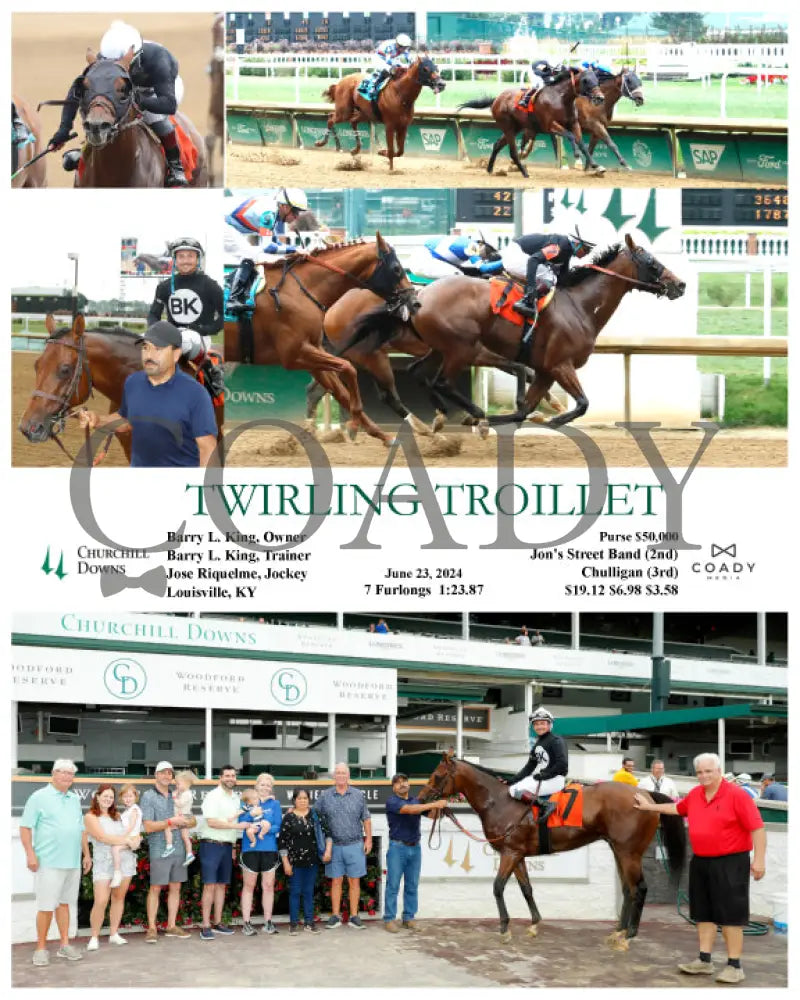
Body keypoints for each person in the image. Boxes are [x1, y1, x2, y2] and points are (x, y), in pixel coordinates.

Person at [634, 751, 766, 984]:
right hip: (702, 861)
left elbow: (757, 828)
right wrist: (648, 807)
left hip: (731, 862)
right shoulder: (696, 794)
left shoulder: (737, 795)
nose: (704, 776)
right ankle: (704, 961)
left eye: (708, 771)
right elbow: (677, 809)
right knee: (703, 913)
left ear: (718, 771)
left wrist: (759, 860)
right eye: (699, 772)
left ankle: (735, 966)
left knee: (730, 916)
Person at [48, 21, 189, 186]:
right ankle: (86, 151)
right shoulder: (104, 59)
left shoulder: (160, 60)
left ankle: (175, 166)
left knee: (158, 121)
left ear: (135, 57)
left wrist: (140, 102)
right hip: (120, 87)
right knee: (100, 113)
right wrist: (63, 130)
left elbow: (169, 104)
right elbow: (75, 93)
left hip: (154, 90)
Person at [78, 320, 218, 467]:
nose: (149, 355)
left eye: (158, 349)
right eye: (145, 347)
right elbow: (126, 420)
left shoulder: (196, 393)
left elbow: (207, 448)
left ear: (176, 355)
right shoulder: (133, 383)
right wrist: (99, 420)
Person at [19, 760, 91, 966]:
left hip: (72, 862)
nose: (68, 777)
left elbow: (80, 830)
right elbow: (25, 827)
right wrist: (30, 854)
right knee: (46, 907)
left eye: (71, 774)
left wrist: (86, 855)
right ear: (53, 774)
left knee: (65, 905)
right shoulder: (39, 797)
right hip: (48, 862)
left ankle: (64, 945)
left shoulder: (74, 799)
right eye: (63, 773)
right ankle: (41, 948)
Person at [147, 238, 225, 398]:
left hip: (200, 337)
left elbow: (224, 315)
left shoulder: (210, 285)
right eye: (181, 256)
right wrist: (154, 332)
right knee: (140, 342)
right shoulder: (164, 286)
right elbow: (153, 314)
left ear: (198, 259)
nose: (185, 261)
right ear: (175, 260)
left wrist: (206, 329)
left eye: (190, 256)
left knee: (185, 342)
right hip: (172, 335)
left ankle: (212, 370)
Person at [225, 188, 310, 316]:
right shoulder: (269, 213)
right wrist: (296, 249)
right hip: (221, 224)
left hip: (228, 224)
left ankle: (235, 290)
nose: (297, 216)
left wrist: (294, 250)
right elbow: (268, 247)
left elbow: (275, 243)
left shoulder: (274, 212)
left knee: (252, 255)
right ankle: (233, 299)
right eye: (295, 211)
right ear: (285, 207)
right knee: (251, 254)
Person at [140, 761, 196, 942]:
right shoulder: (148, 796)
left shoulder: (178, 795)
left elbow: (191, 820)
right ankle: (151, 928)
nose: (166, 776)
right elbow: (148, 826)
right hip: (158, 848)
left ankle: (171, 925)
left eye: (169, 773)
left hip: (179, 847)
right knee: (155, 887)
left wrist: (188, 821)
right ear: (156, 775)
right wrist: (170, 822)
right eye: (162, 772)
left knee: (176, 887)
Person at [383, 774, 448, 933]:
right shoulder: (392, 801)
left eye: (404, 781)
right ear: (394, 787)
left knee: (412, 885)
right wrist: (433, 803)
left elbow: (431, 816)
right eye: (398, 783)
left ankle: (408, 918)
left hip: (415, 848)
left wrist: (439, 809)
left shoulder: (417, 801)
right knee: (393, 884)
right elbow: (410, 810)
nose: (402, 784)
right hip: (397, 848)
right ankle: (389, 919)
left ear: (409, 784)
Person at [83, 784, 142, 951]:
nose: (108, 799)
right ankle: (94, 936)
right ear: (97, 796)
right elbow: (101, 837)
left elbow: (133, 832)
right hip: (103, 863)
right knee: (101, 900)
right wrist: (87, 855)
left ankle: (114, 934)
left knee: (118, 898)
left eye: (111, 797)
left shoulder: (117, 815)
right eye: (105, 796)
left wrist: (135, 841)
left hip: (124, 861)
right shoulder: (90, 817)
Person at [315, 763, 372, 930]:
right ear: (334, 776)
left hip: (355, 844)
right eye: (337, 773)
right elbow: (314, 815)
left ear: (348, 776)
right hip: (334, 846)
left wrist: (368, 840)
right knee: (336, 881)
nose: (340, 776)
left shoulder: (358, 795)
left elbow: (366, 819)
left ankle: (354, 916)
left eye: (343, 773)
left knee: (354, 881)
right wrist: (293, 811)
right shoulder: (325, 796)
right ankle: (335, 916)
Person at [500, 230, 595, 328]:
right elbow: (533, 260)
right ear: (576, 243)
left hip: (517, 253)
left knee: (551, 276)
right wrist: (531, 288)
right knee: (550, 277)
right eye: (586, 249)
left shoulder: (567, 251)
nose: (587, 253)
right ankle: (526, 302)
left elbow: (563, 278)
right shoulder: (560, 247)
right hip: (515, 256)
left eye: (589, 251)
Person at [198, 765, 244, 941]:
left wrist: (232, 847)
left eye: (233, 775)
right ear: (220, 778)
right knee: (209, 885)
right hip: (211, 845)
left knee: (221, 886)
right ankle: (205, 925)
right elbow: (212, 822)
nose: (230, 778)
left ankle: (217, 922)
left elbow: (231, 826)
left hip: (226, 846)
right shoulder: (212, 796)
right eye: (227, 775)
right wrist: (235, 826)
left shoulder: (235, 799)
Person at [238, 773, 283, 936]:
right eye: (262, 784)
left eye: (268, 785)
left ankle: (268, 922)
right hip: (250, 849)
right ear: (256, 786)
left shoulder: (275, 804)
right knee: (249, 886)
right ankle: (246, 923)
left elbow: (278, 826)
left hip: (269, 849)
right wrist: (251, 814)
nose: (265, 787)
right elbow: (239, 822)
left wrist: (264, 829)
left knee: (268, 886)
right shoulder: (246, 801)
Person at [278, 788, 328, 934]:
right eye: (299, 798)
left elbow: (325, 833)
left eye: (305, 798)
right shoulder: (288, 817)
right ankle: (293, 923)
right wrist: (286, 862)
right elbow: (282, 842)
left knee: (308, 892)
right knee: (295, 892)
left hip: (312, 861)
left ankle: (309, 922)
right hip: (294, 863)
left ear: (309, 800)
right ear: (294, 800)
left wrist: (326, 850)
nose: (302, 801)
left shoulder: (315, 816)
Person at [507, 707, 568, 820]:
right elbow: (529, 767)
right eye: (536, 724)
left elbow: (562, 765)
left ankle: (546, 805)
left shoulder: (556, 740)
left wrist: (545, 775)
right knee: (512, 786)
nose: (539, 726)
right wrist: (512, 780)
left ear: (549, 725)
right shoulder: (537, 743)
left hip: (555, 780)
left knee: (513, 790)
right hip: (544, 778)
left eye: (542, 723)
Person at [420, 234, 503, 280]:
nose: (486, 256)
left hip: (429, 258)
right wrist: (506, 262)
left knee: (462, 273)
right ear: (481, 244)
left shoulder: (467, 243)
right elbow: (484, 268)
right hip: (425, 260)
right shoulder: (472, 246)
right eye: (488, 251)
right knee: (459, 277)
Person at [110, 783, 143, 888]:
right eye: (125, 796)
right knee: (114, 848)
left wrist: (122, 836)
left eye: (130, 796)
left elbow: (131, 826)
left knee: (115, 848)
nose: (127, 799)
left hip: (131, 838)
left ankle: (117, 873)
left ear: (135, 797)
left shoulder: (134, 810)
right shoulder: (128, 810)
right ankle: (117, 872)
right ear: (121, 798)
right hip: (129, 837)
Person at [363, 33, 413, 99]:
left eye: (406, 47)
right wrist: (400, 65)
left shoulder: (402, 47)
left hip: (390, 59)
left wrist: (412, 64)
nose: (405, 49)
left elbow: (410, 59)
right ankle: (373, 87)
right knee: (387, 69)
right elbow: (389, 61)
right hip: (379, 58)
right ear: (398, 45)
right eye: (404, 48)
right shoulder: (390, 47)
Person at [162, 770, 196, 865]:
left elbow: (180, 804)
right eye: (176, 784)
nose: (177, 786)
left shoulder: (187, 794)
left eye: (178, 784)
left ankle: (169, 846)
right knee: (185, 836)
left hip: (183, 817)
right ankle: (189, 854)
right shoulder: (182, 793)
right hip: (183, 817)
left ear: (186, 783)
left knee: (167, 826)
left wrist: (173, 797)